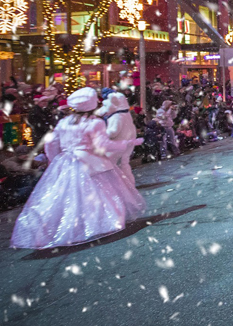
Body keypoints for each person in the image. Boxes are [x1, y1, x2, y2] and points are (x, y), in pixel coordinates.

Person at [10, 87, 145, 250]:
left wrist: (55, 161)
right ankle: (100, 223)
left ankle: (56, 228)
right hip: (90, 161)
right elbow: (103, 144)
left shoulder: (64, 122)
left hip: (66, 161)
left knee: (64, 196)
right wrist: (128, 143)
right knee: (97, 193)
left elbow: (51, 144)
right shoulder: (94, 123)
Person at [98, 92, 137, 186]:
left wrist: (102, 134)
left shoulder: (117, 116)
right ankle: (129, 183)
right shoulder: (126, 114)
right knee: (124, 163)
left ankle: (117, 185)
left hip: (118, 144)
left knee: (111, 165)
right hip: (127, 142)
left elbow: (113, 131)